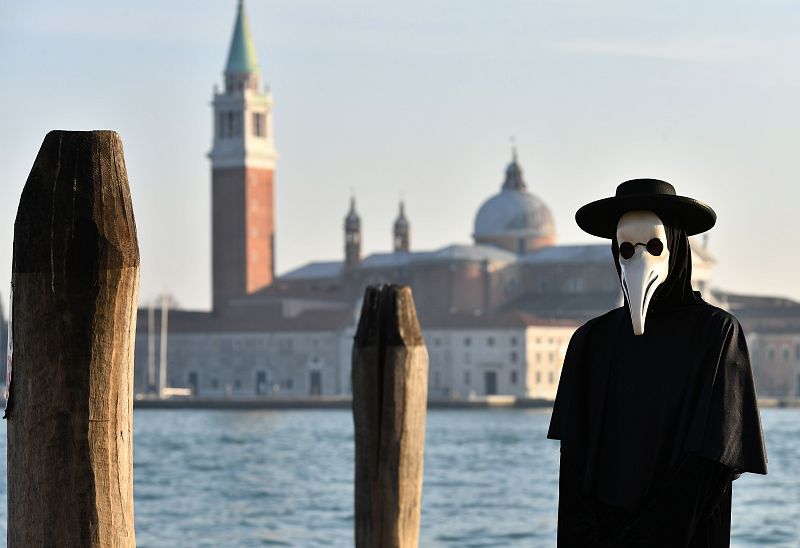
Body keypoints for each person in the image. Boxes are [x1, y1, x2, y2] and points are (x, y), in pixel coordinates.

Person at [548, 179, 767, 547]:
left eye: (653, 246)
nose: (640, 259)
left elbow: (713, 458)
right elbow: (573, 461)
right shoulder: (590, 340)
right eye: (626, 249)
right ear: (615, 252)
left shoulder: (716, 332)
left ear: (675, 246)